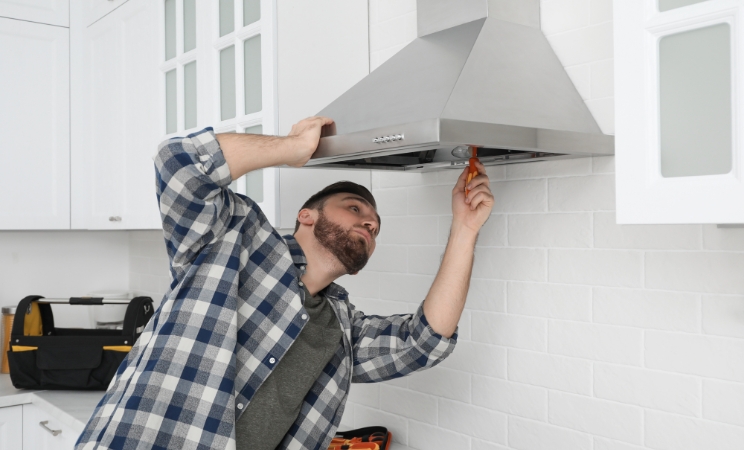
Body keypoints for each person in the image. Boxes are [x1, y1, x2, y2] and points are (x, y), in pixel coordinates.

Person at [76, 116, 495, 450]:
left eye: (376, 225)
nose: (369, 222)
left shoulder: (343, 329)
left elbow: (424, 342)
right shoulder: (231, 237)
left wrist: (465, 228)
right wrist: (291, 148)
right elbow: (179, 161)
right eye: (354, 208)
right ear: (307, 216)